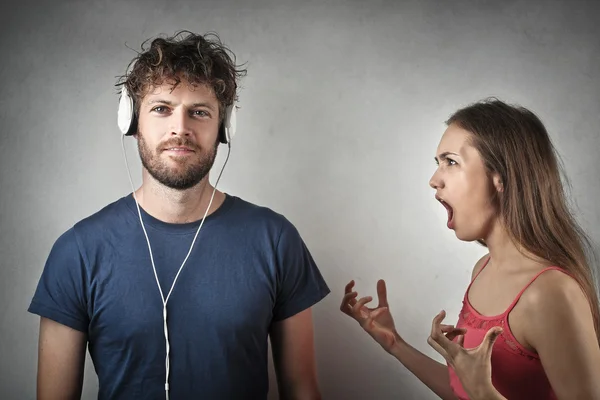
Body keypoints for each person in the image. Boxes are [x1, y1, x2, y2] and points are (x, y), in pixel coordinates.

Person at [28, 31, 329, 400]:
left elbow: (301, 389)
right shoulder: (76, 251)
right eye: (161, 108)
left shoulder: (276, 240)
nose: (180, 128)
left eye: (199, 112)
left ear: (224, 128)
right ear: (132, 121)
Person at [341, 98, 600, 399]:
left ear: (500, 177)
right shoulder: (483, 268)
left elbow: (480, 393)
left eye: (451, 162)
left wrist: (483, 391)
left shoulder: (551, 293)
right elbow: (463, 393)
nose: (434, 180)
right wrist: (395, 344)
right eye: (437, 164)